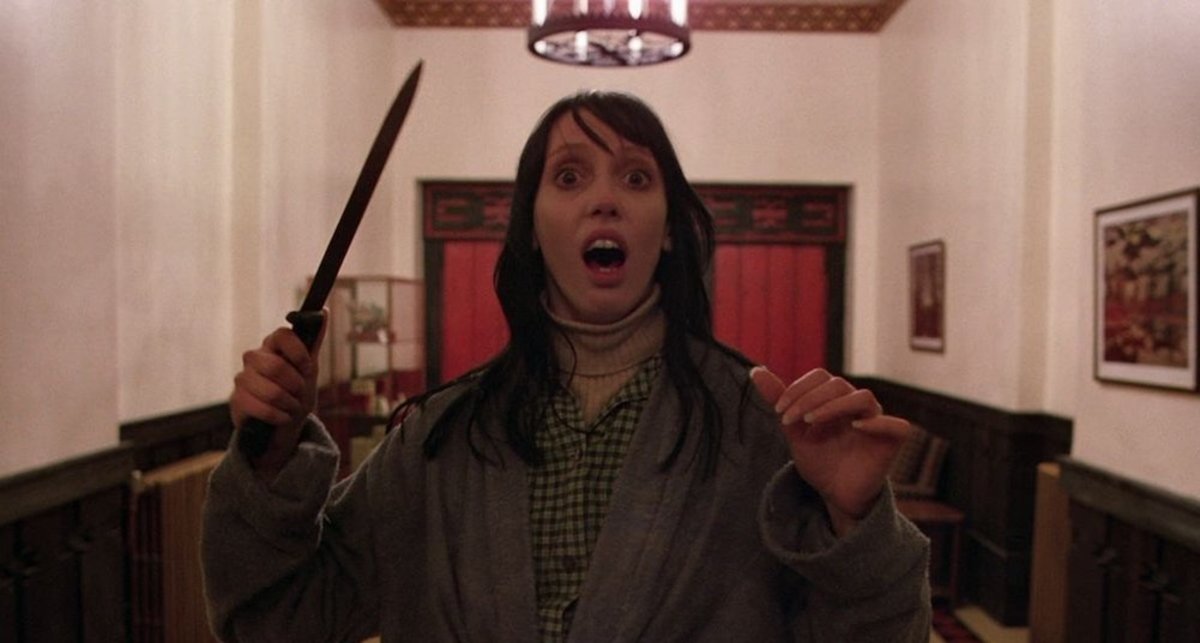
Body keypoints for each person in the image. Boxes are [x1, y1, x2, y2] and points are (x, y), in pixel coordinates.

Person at [202, 90, 931, 642]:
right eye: (571, 175)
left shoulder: (756, 432)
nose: (604, 200)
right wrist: (271, 464)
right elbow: (274, 620)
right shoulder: (438, 440)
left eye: (636, 178)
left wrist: (853, 522)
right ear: (530, 225)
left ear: (669, 230)